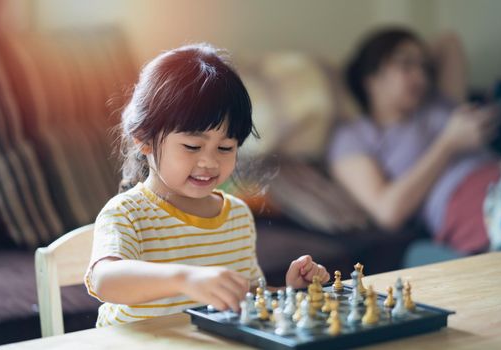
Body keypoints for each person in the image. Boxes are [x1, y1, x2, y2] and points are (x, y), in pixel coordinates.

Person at [84, 43, 330, 327]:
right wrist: (185, 278)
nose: (209, 162)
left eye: (225, 148)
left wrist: (291, 292)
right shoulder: (127, 213)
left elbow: (244, 296)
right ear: (143, 138)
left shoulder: (236, 215)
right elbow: (105, 280)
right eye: (192, 146)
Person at [329, 27, 501, 258]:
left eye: (424, 67)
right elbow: (388, 212)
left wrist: (413, 58)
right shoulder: (353, 135)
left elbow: (449, 41)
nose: (421, 77)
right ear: (371, 78)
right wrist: (448, 144)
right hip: (467, 199)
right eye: (406, 65)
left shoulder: (436, 101)